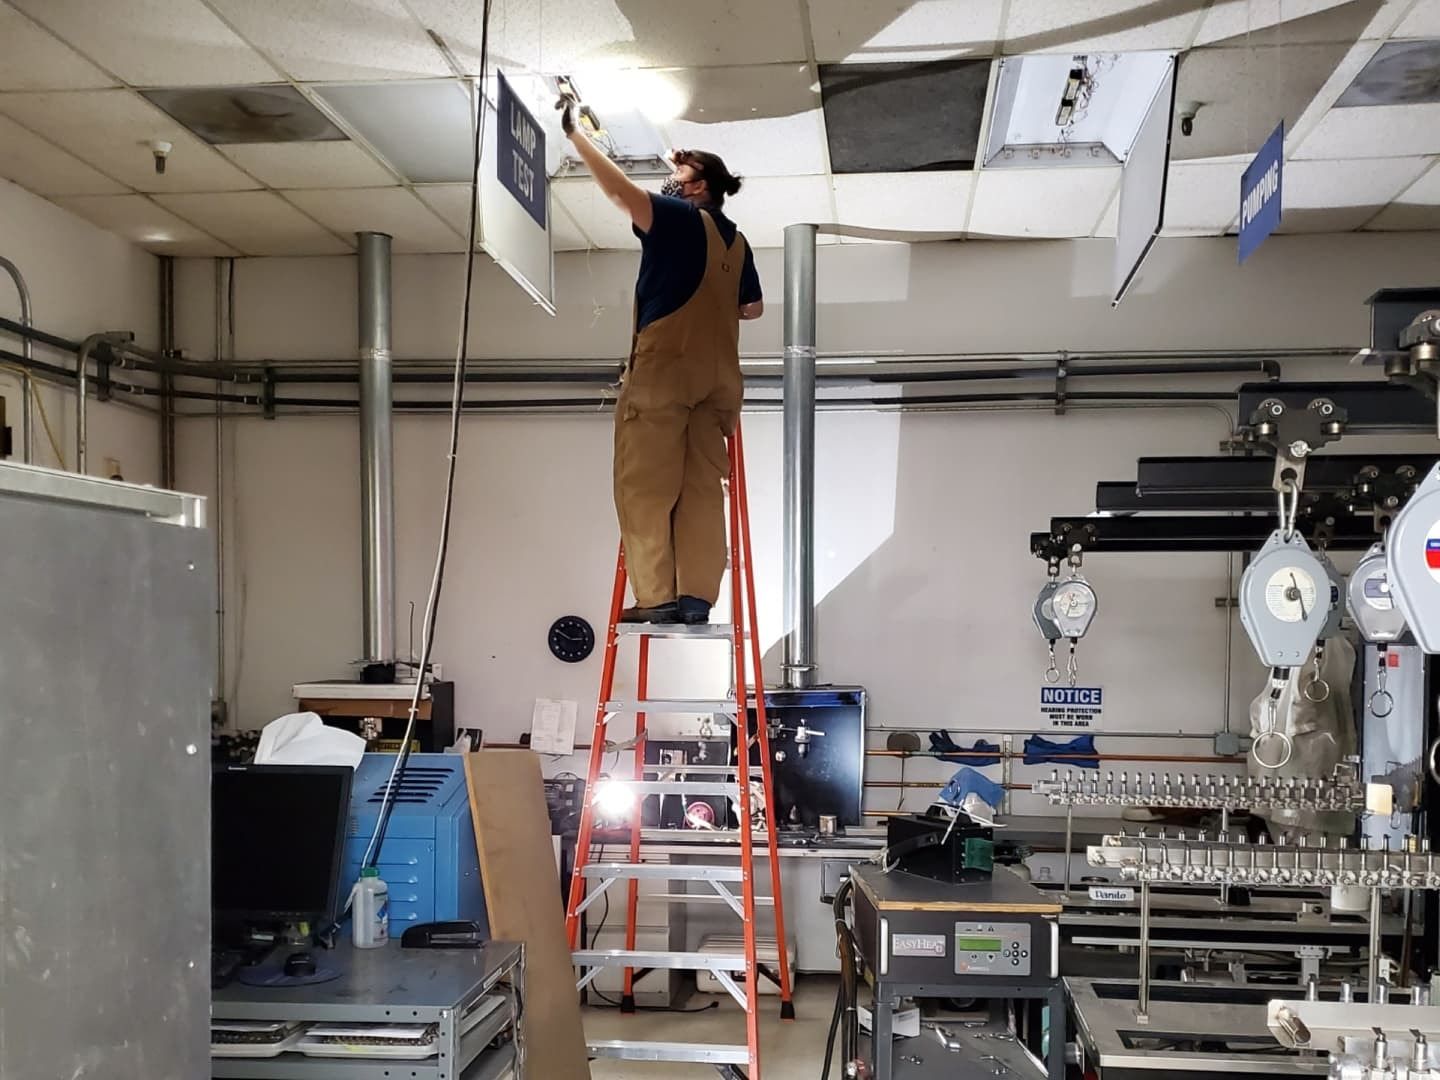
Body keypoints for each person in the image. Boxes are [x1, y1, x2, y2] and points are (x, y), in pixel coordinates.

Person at [559, 97, 764, 625]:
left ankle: (657, 597)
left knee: (644, 485)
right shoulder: (736, 241)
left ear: (699, 187)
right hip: (719, 385)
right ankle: (697, 596)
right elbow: (753, 309)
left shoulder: (677, 218)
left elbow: (620, 193)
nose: (671, 181)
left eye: (680, 174)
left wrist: (576, 140)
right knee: (700, 491)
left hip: (665, 374)